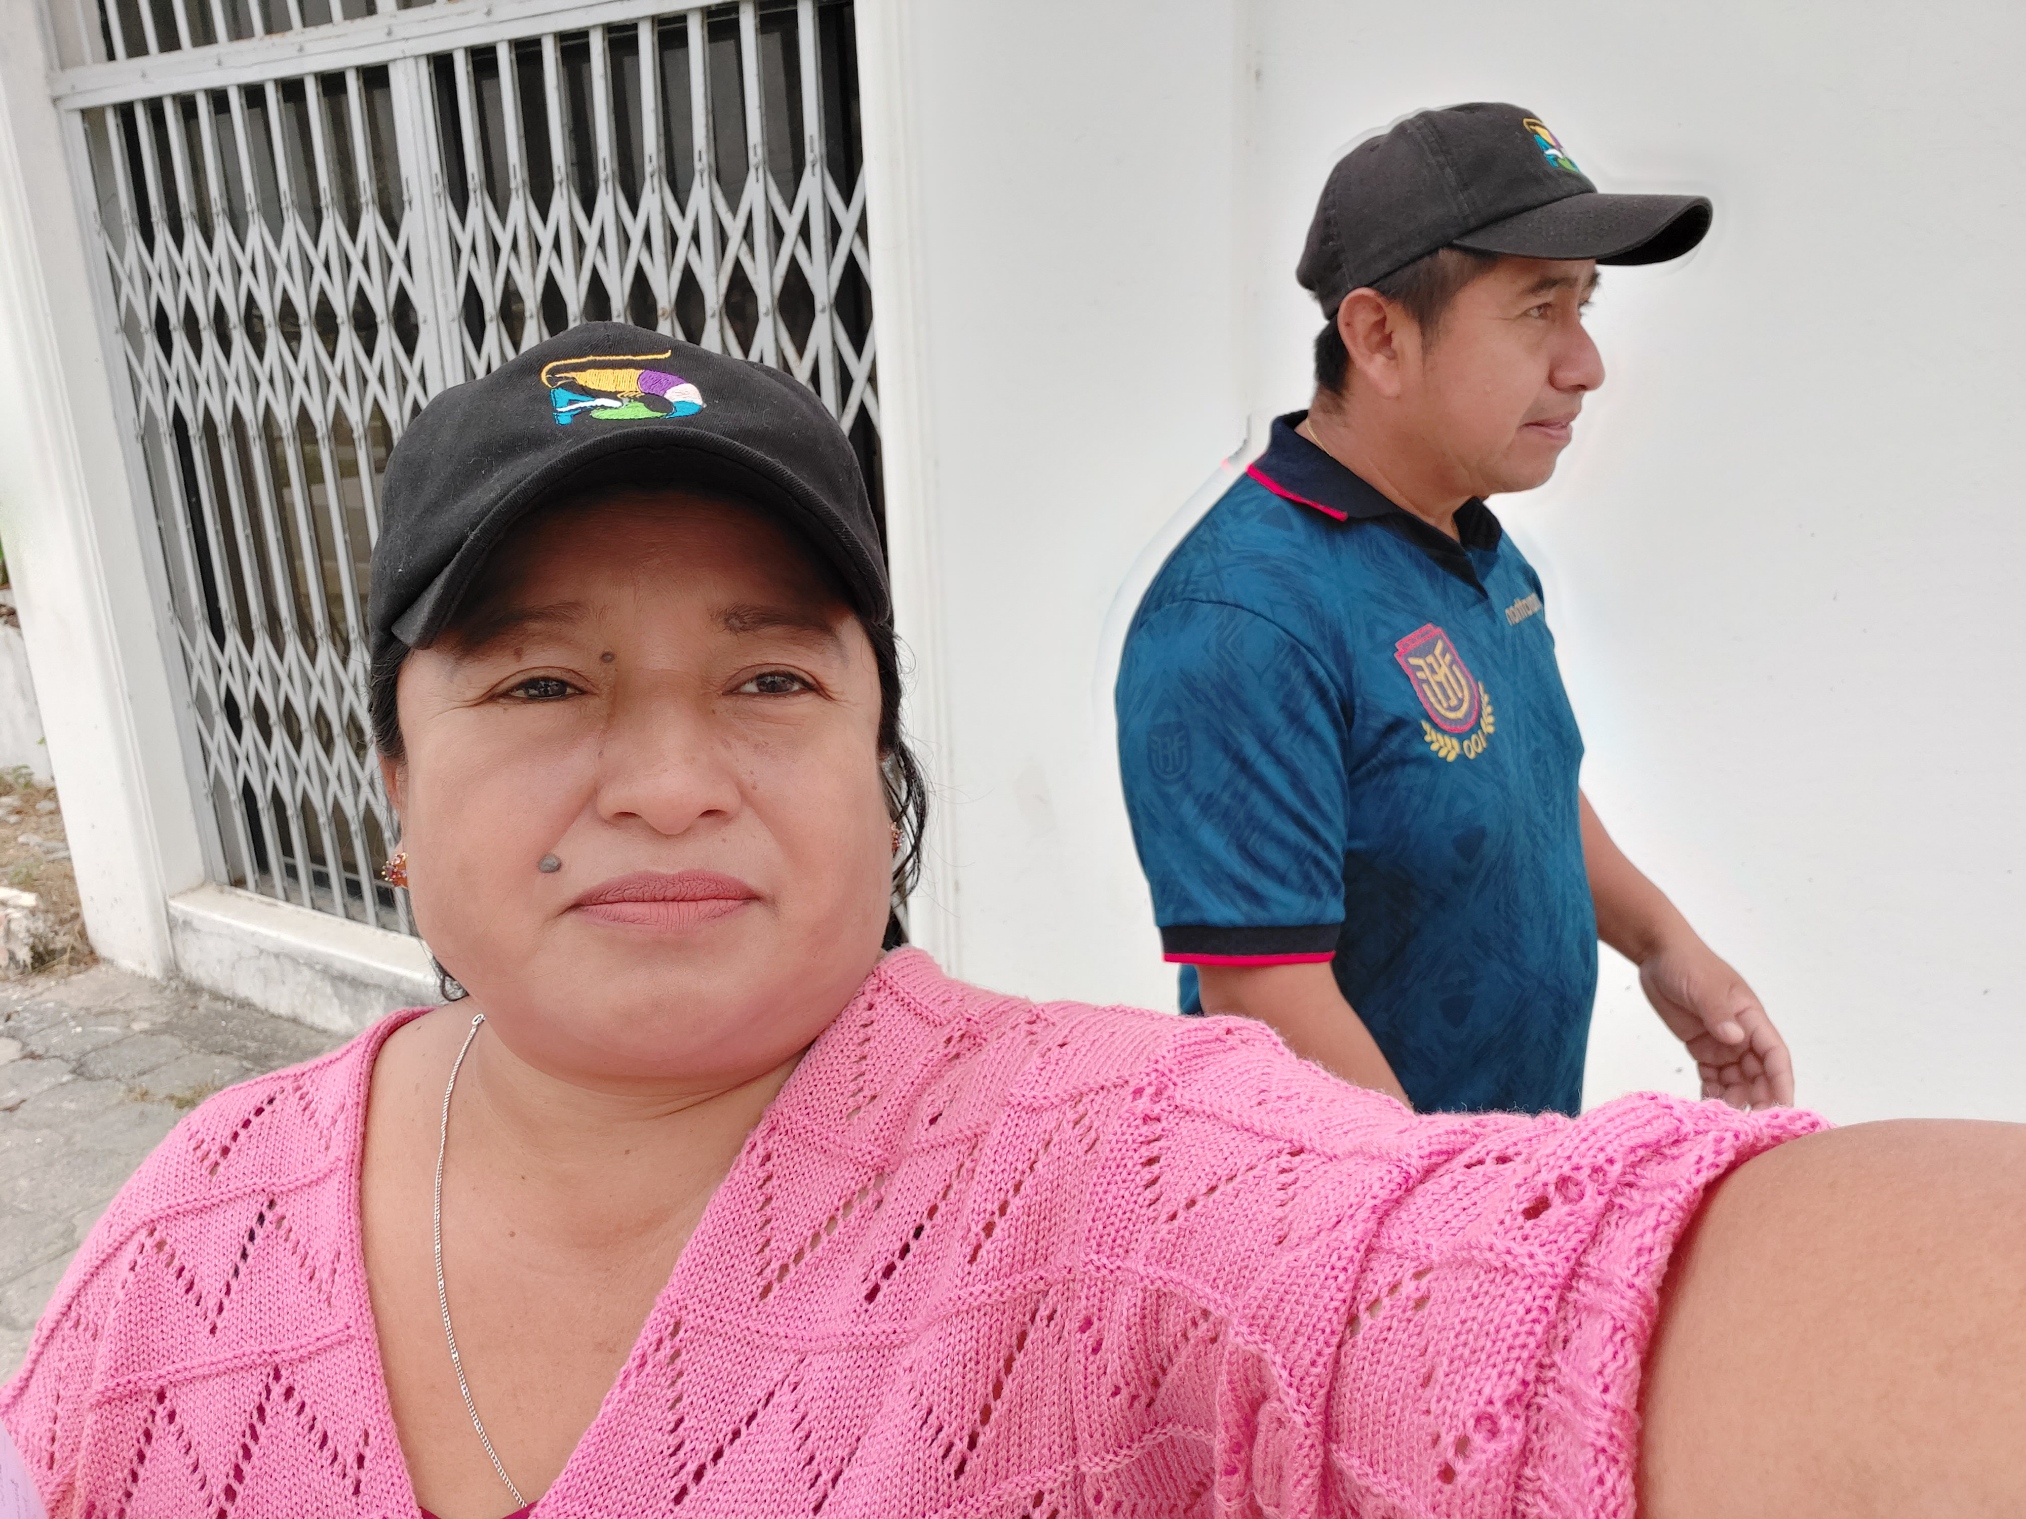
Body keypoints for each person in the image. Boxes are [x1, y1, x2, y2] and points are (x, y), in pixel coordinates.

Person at [4, 323, 2024, 1519]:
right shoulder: (196, 1227)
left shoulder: (1111, 1175)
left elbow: (1524, 1294)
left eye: (770, 678)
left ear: (878, 775)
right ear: (391, 793)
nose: (669, 777)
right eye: (541, 682)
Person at [1116, 103, 1790, 1115]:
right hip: (1365, 1203)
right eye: (1537, 309)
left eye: (1584, 304)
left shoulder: (1475, 545)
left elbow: (1518, 783)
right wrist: (1453, 1201)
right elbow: (1265, 995)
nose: (1585, 364)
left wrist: (1663, 942)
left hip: (1503, 1176)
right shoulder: (1241, 617)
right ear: (1379, 337)